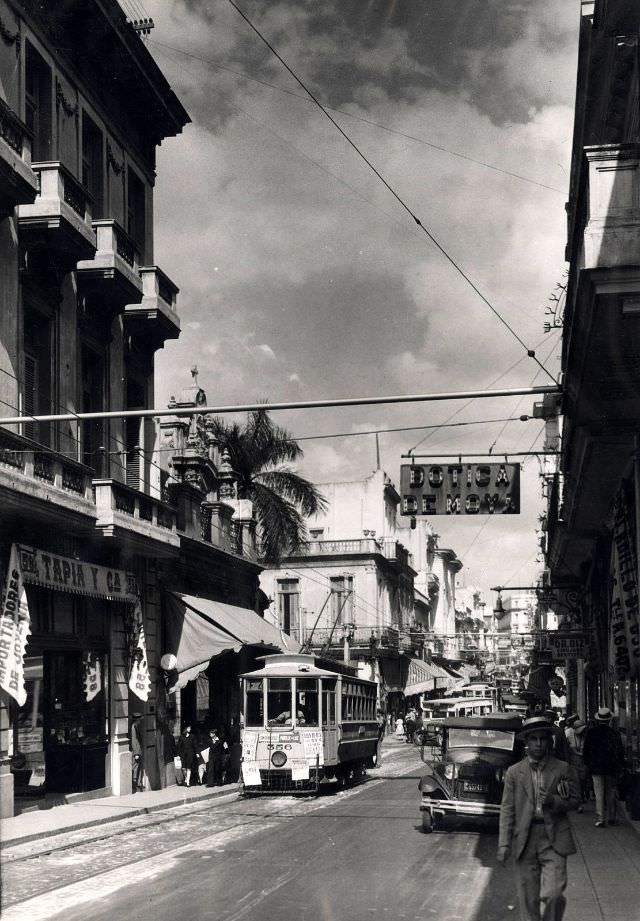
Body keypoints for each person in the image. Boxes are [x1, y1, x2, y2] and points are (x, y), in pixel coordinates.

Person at [497, 715, 580, 921]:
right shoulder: (515, 773)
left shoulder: (562, 768)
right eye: (533, 739)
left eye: (542, 739)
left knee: (554, 894)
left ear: (549, 741)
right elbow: (507, 808)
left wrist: (555, 801)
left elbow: (575, 800)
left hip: (554, 838)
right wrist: (504, 844)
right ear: (526, 742)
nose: (538, 743)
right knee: (529, 899)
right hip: (525, 838)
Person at [583, 707, 626, 827]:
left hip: (596, 767)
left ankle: (600, 818)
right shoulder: (614, 733)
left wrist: (587, 764)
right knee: (611, 792)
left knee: (599, 793)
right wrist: (620, 766)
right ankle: (612, 817)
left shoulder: (591, 733)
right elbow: (619, 752)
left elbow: (586, 751)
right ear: (609, 720)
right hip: (611, 768)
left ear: (598, 720)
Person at [565, 718, 588, 808]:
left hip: (583, 761)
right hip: (573, 761)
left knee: (583, 780)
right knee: (576, 781)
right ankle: (579, 802)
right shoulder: (568, 733)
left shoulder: (585, 736)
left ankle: (581, 796)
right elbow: (568, 748)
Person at [131, 711, 144, 793]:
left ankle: (137, 784)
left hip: (139, 750)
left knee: (137, 768)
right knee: (135, 768)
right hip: (136, 751)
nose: (140, 721)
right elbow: (133, 741)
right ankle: (134, 786)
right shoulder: (133, 728)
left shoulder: (136, 726)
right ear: (137, 720)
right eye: (139, 720)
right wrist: (136, 753)